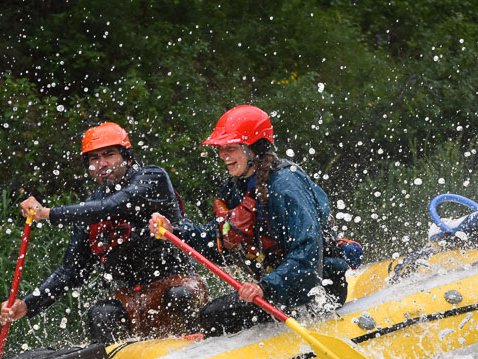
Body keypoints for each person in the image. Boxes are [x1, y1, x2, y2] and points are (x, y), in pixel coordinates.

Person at [149, 105, 355, 337]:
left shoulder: (286, 186)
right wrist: (175, 231)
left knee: (214, 314)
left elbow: (307, 252)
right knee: (211, 315)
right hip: (279, 289)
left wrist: (266, 287)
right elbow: (220, 238)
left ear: (253, 149)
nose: (222, 156)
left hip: (317, 288)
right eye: (221, 149)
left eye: (231, 148)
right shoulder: (238, 185)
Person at [0, 122, 207, 343]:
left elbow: (115, 205)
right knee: (101, 314)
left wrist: (48, 213)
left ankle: (197, 347)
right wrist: (28, 304)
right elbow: (70, 272)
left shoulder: (152, 178)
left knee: (178, 297)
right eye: (94, 159)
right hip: (133, 298)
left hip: (178, 284)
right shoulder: (91, 209)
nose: (102, 164)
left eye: (109, 155)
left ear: (126, 156)